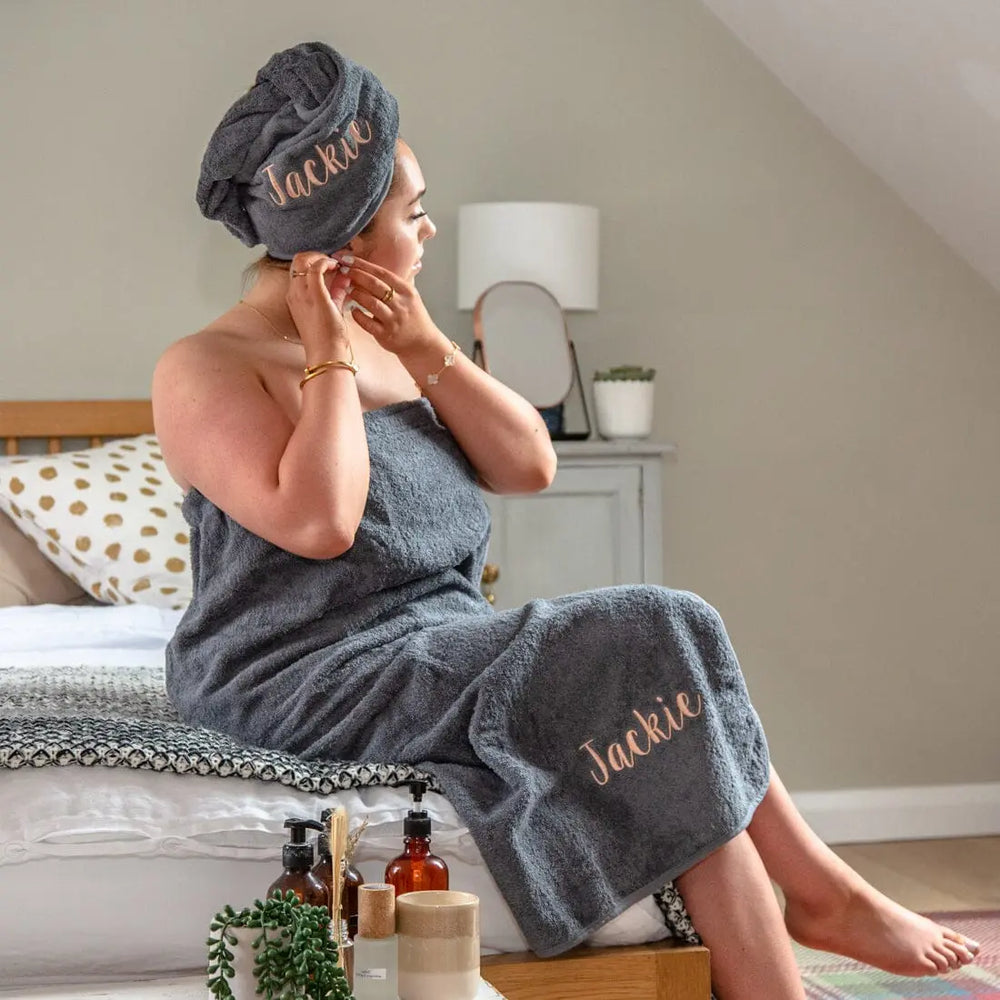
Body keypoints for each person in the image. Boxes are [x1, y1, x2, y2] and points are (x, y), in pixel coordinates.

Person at [153, 42, 979, 1000]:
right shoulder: (207, 367)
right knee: (654, 629)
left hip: (430, 642)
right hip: (298, 671)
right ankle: (819, 901)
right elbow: (323, 522)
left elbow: (528, 465)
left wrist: (423, 345)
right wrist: (328, 352)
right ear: (340, 247)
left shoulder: (401, 343)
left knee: (660, 677)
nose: (429, 234)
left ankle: (791, 953)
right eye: (413, 215)